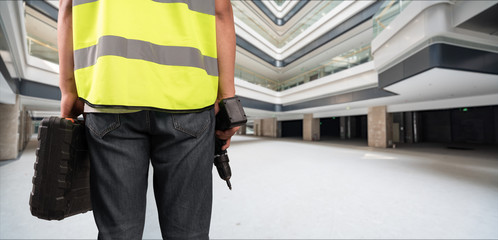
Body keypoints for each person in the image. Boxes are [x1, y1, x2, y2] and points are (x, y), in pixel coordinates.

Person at [58, 0, 238, 239]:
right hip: (187, 95)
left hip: (111, 91)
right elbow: (220, 10)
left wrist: (68, 89)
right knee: (189, 234)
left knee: (117, 233)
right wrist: (228, 98)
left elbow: (67, 8)